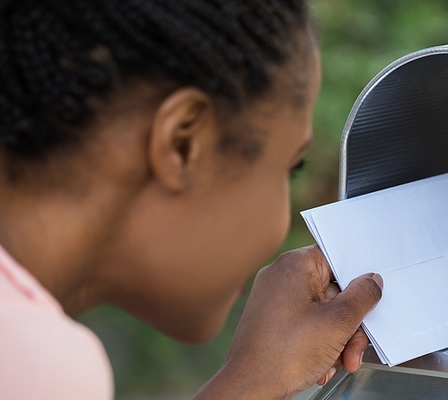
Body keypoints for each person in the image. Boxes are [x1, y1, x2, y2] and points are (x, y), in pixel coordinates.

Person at [0, 0, 383, 398]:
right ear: (183, 143)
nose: (281, 225)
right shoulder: (32, 359)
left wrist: (256, 378)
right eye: (290, 167)